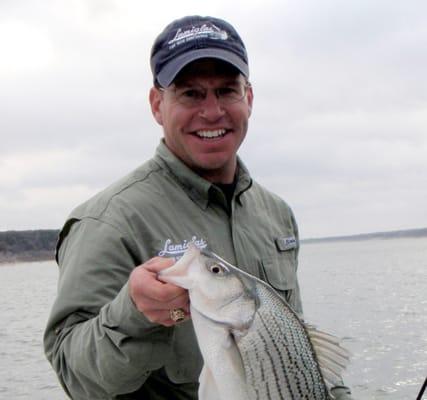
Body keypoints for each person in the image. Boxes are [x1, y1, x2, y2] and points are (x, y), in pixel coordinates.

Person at [44, 15, 353, 400]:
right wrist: (134, 314)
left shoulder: (275, 213)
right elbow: (75, 376)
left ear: (249, 98)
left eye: (226, 91)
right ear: (158, 104)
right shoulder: (108, 220)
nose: (211, 112)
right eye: (190, 93)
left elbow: (299, 351)